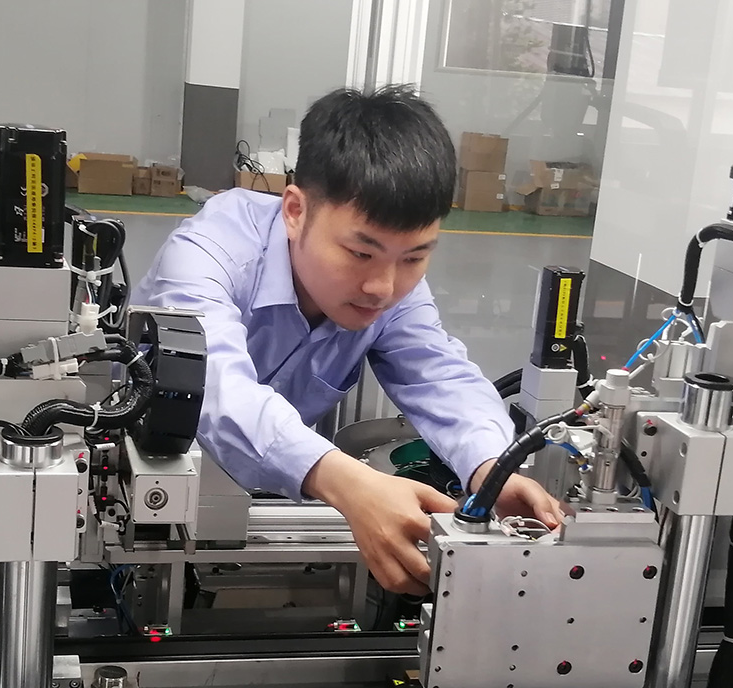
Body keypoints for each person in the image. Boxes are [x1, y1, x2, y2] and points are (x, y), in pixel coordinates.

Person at [132, 85, 564, 595]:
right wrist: (349, 484)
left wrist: (491, 468)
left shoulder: (394, 288)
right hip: (142, 494)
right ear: (295, 211)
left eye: (414, 257)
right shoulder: (209, 253)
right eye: (361, 254)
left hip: (262, 498)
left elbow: (439, 375)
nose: (383, 286)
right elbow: (215, 389)